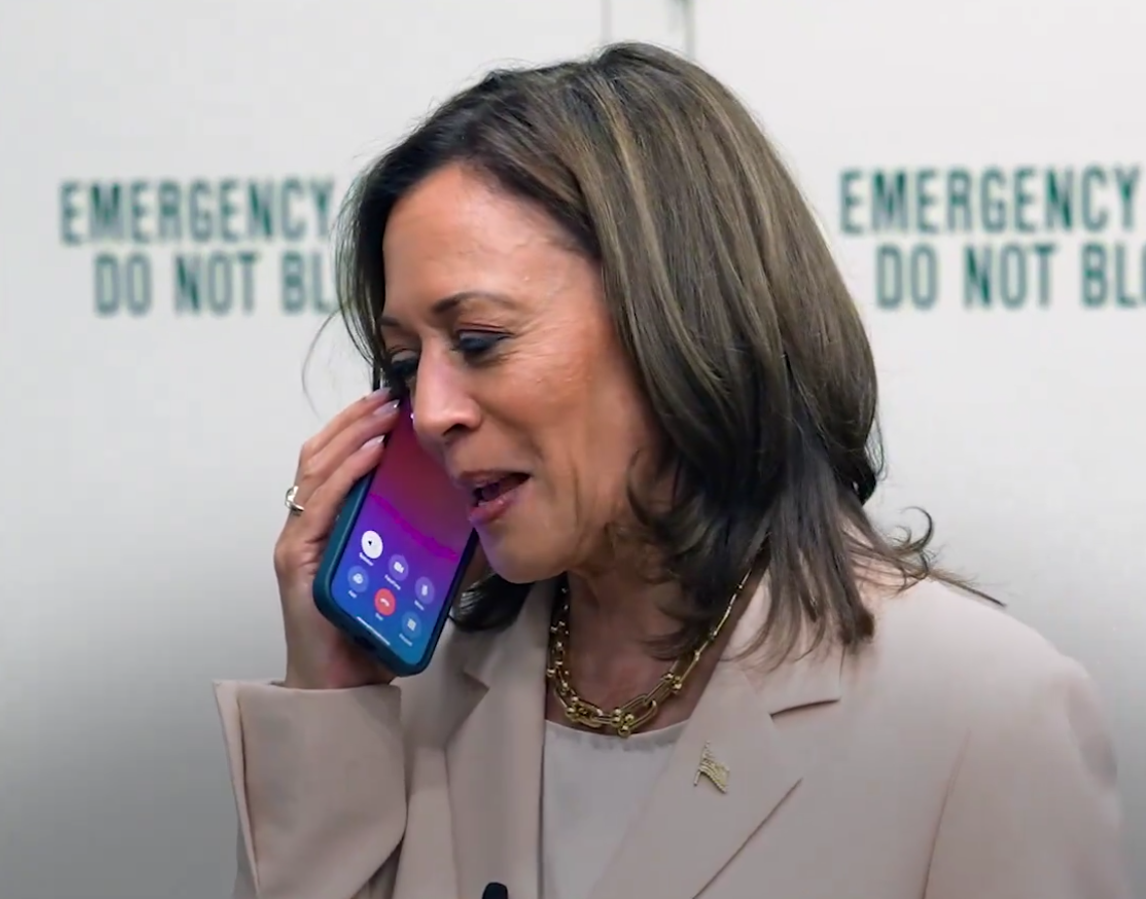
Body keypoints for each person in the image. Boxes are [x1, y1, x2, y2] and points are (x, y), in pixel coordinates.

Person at [213, 42, 1129, 899]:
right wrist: (332, 694)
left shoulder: (988, 715)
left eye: (481, 339)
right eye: (407, 363)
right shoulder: (418, 697)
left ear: (678, 317)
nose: (430, 410)